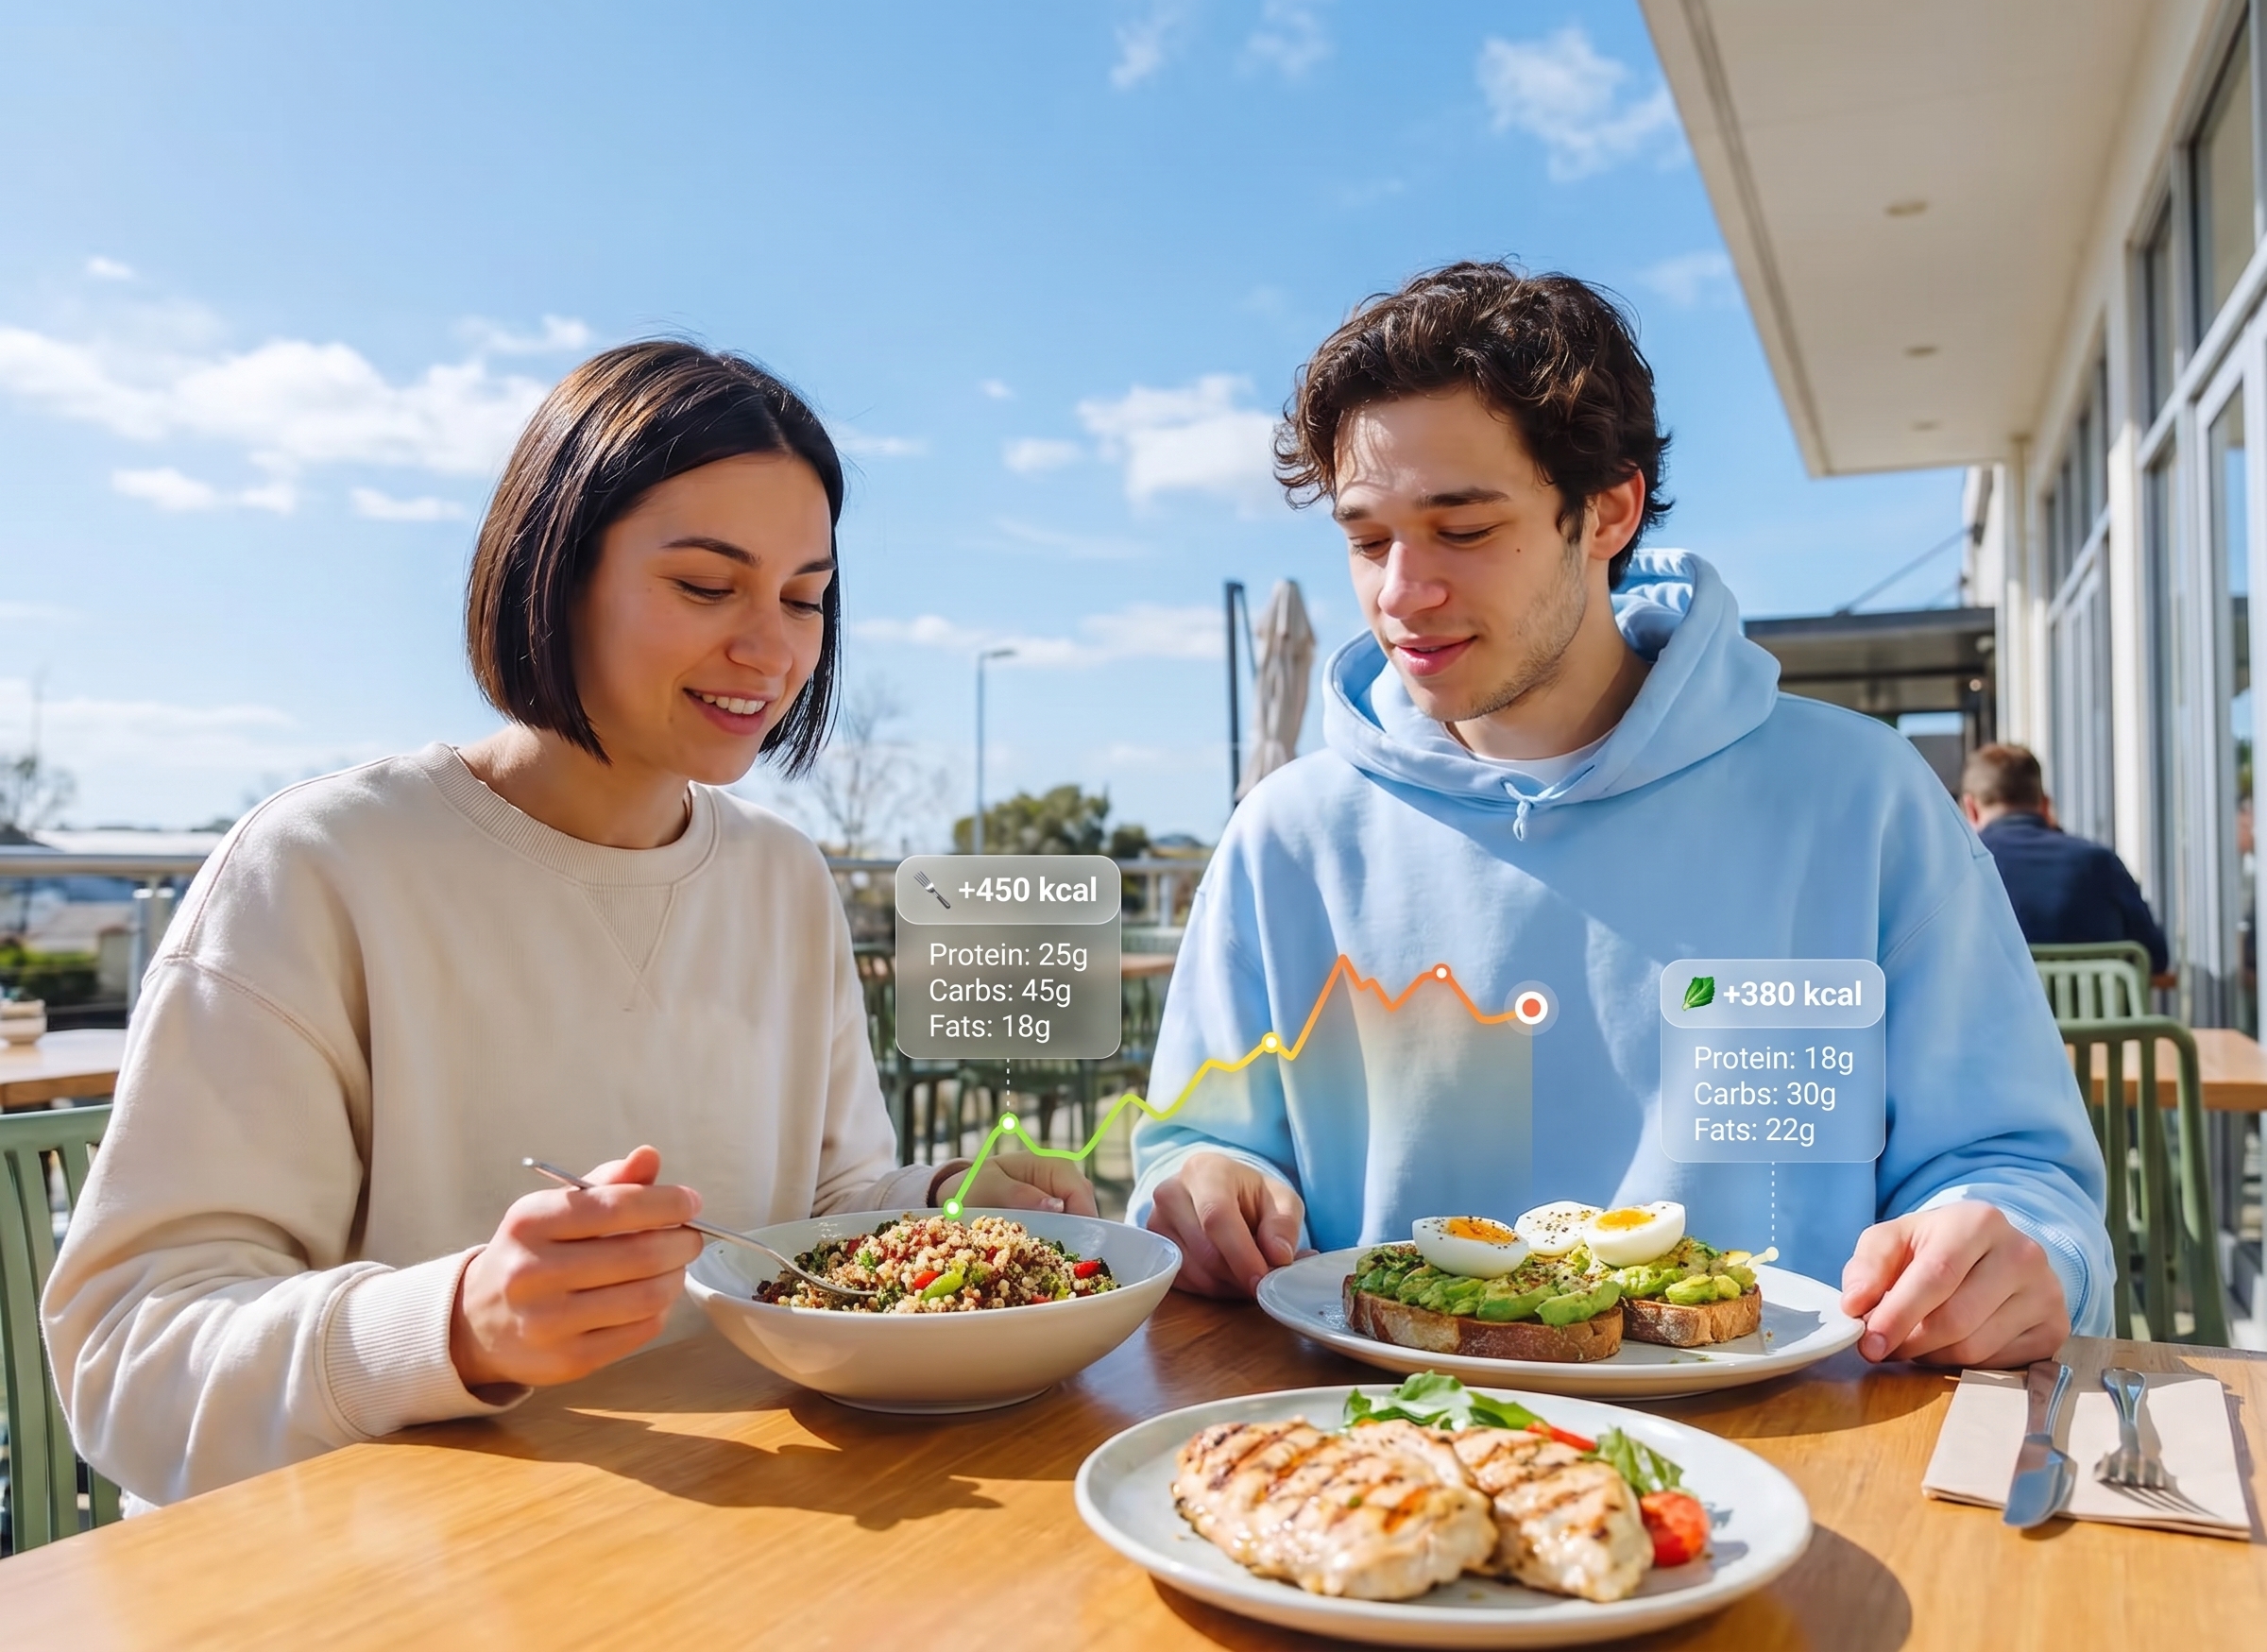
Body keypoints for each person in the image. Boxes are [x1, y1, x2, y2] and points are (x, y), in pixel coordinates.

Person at [43, 341, 1092, 1507]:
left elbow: (815, 1221)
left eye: (805, 598)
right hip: (379, 1574)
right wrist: (458, 1324)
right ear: (553, 568)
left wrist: (952, 1201)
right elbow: (126, 1358)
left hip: (730, 1540)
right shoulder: (321, 865)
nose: (772, 647)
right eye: (706, 585)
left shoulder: (783, 881)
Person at [1132, 263, 2111, 1370]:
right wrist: (1199, 1184)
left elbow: (2019, 1176)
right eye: (1368, 539)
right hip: (1384, 1463)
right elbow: (1193, 1153)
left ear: (1607, 510)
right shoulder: (1284, 839)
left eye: (1462, 528)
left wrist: (2021, 1251)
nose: (1402, 591)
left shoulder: (1862, 798)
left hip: (1806, 1459)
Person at [1960, 742, 2169, 974]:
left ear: (1971, 808)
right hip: (2098, 1011)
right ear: (2045, 805)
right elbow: (2156, 956)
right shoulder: (2099, 862)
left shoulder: (1963, 870)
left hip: (2000, 1010)